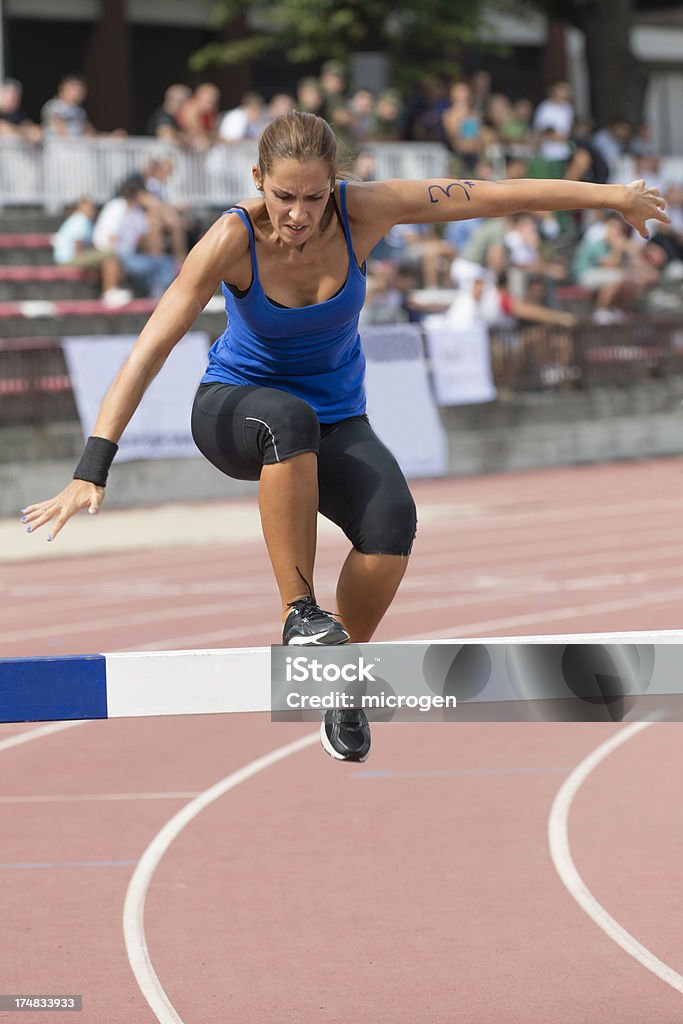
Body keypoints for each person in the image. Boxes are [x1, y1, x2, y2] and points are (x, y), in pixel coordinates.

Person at [20, 111, 668, 762]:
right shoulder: (230, 237)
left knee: (391, 524)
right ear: (257, 181)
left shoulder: (368, 212)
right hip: (232, 411)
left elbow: (491, 194)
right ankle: (298, 614)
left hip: (335, 420)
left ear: (335, 184)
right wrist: (91, 466)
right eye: (282, 197)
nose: (297, 215)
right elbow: (148, 350)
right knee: (287, 419)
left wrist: (610, 197)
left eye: (312, 197)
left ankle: (339, 677)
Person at [52, 197, 131, 307]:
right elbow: (78, 249)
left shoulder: (79, 220)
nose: (90, 210)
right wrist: (87, 266)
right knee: (110, 254)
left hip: (67, 259)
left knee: (108, 259)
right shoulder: (80, 220)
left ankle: (110, 290)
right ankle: (109, 292)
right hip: (68, 260)